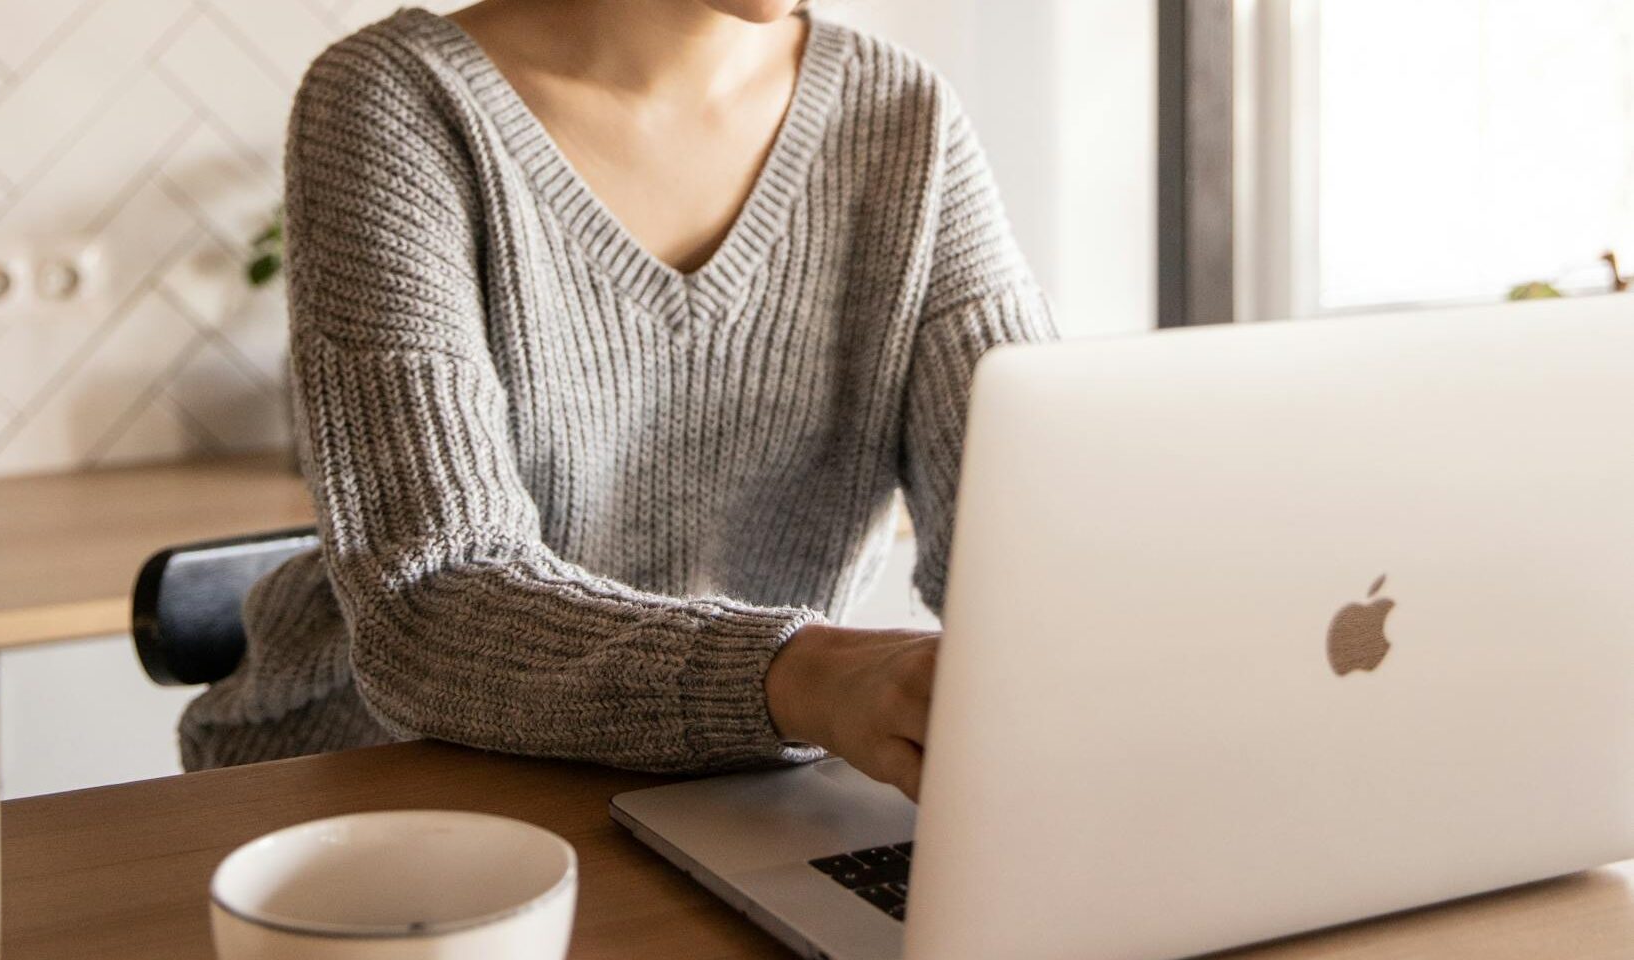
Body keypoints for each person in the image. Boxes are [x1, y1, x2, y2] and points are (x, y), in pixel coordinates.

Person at [179, 0, 1057, 801]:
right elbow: (430, 603)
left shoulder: (907, 118)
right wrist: (804, 677)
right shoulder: (396, 99)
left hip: (735, 789)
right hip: (387, 783)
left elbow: (1038, 528)